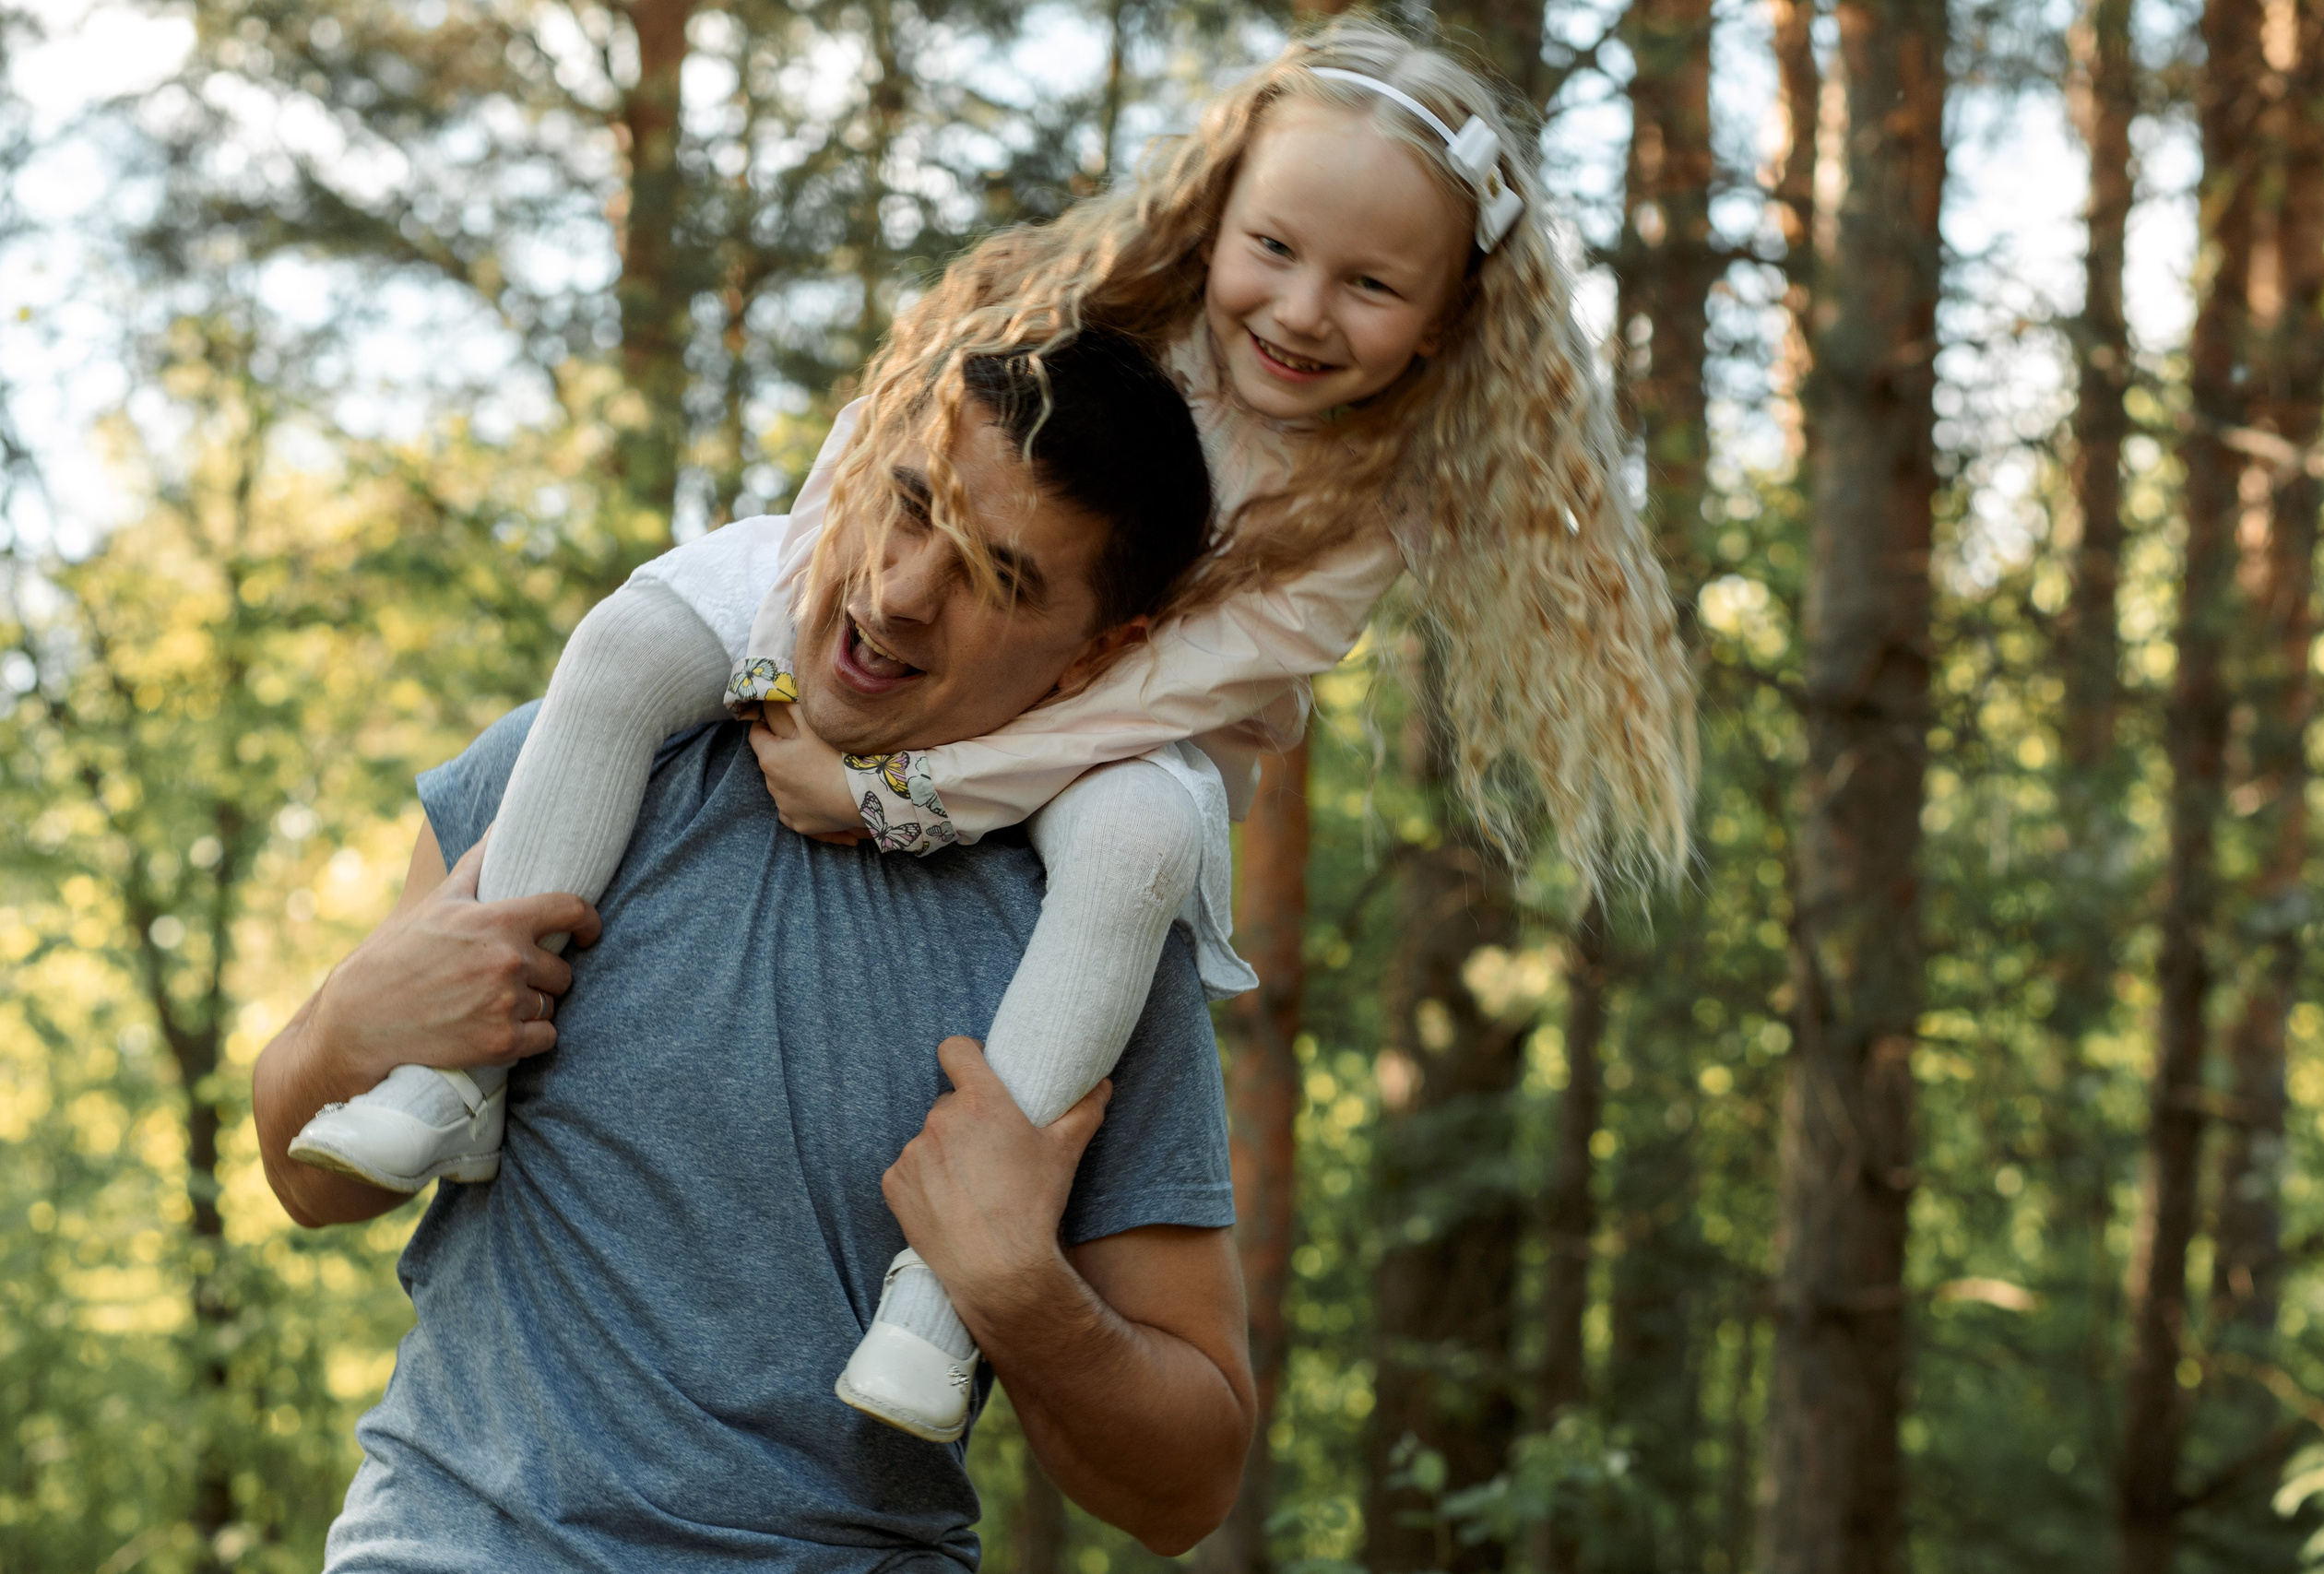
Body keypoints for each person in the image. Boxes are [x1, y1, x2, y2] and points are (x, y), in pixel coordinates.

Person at [289, 16, 1697, 1445]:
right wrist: (801, 658)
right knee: (633, 638)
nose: (1302, 309)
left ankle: (941, 1301)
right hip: (837, 621)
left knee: (1149, 837)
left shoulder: (1360, 520)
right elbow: (886, 449)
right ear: (1218, 212)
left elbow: (1147, 695)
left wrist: (902, 793)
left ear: (1448, 317)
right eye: (1273, 248)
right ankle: (452, 1069)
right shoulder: (1092, 302)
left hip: (1091, 743)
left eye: (1373, 285)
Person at [254, 326, 1252, 1569]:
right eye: (907, 504)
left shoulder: (1092, 945)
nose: (896, 590)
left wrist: (1016, 1293)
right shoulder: (577, 769)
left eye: (997, 578)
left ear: (1096, 654)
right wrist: (342, 1029)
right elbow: (312, 1182)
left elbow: (1188, 1489)